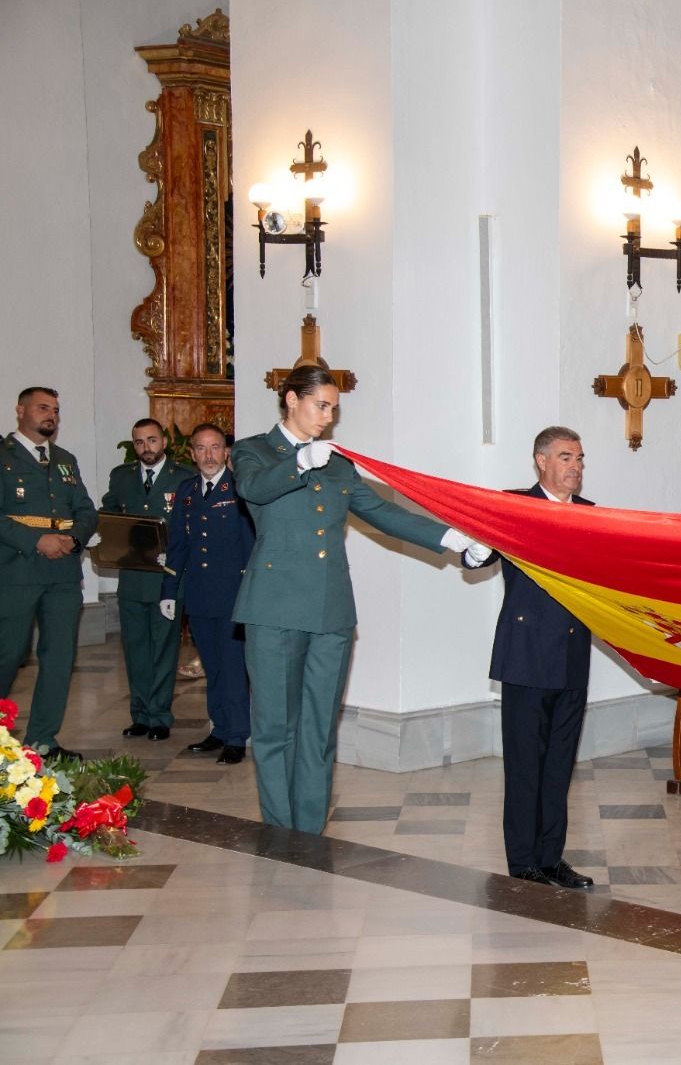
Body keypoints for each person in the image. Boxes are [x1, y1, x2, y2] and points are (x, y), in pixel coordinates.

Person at [232, 365, 486, 832]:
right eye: (320, 405)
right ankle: (281, 834)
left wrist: (452, 539)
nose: (328, 417)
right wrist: (300, 463)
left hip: (330, 609)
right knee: (276, 730)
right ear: (291, 400)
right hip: (274, 608)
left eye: (333, 408)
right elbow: (254, 488)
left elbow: (382, 512)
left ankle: (309, 834)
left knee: (319, 729)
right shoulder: (254, 451)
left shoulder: (337, 464)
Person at [469, 427, 598, 890]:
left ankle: (551, 857)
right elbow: (476, 558)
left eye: (579, 458)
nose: (575, 466)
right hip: (525, 655)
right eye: (565, 457)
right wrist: (475, 547)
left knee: (560, 765)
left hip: (571, 655)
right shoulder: (515, 505)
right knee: (525, 765)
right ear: (541, 461)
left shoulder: (590, 514)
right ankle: (523, 861)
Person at [0, 386, 97, 759]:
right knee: (8, 653)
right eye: (43, 408)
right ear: (20, 410)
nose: (51, 415)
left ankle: (42, 741)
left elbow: (85, 510)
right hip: (18, 570)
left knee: (59, 657)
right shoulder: (4, 456)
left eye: (55, 410)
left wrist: (74, 538)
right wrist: (36, 540)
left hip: (63, 573)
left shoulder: (65, 460)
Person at [159, 423, 253, 764]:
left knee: (233, 667)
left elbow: (251, 546)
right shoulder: (186, 490)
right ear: (192, 453)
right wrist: (169, 591)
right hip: (199, 595)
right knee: (212, 667)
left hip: (232, 596)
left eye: (215, 447)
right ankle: (220, 728)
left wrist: (251, 595)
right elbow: (177, 546)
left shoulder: (240, 489)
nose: (208, 455)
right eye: (201, 448)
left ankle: (237, 735)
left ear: (226, 452)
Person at [101, 418, 195, 742]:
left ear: (164, 441)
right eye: (139, 442)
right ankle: (139, 715)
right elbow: (109, 515)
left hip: (167, 580)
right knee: (135, 650)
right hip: (132, 578)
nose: (146, 448)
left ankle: (159, 716)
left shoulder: (183, 476)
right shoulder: (122, 477)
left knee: (164, 651)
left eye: (152, 440)